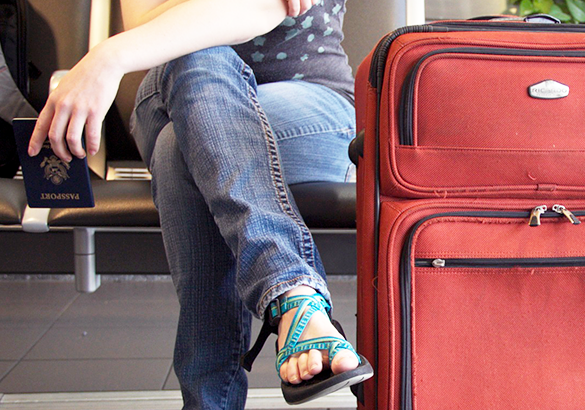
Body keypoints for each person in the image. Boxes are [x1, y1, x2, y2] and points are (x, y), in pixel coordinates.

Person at [26, 0, 371, 408]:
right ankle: (293, 293)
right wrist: (113, 53)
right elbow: (146, 20)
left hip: (308, 105)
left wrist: (109, 55)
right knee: (196, 56)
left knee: (181, 149)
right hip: (172, 92)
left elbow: (255, 12)